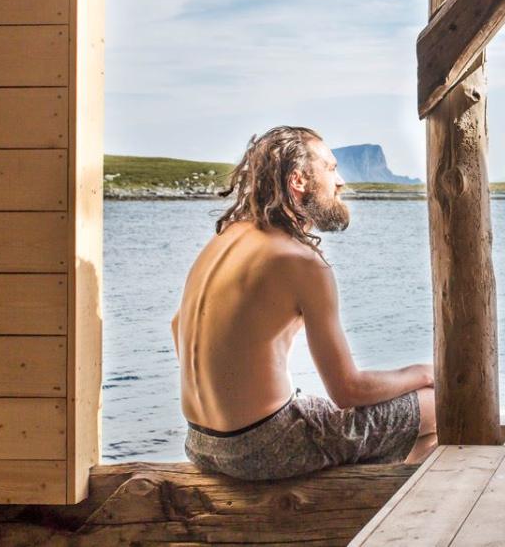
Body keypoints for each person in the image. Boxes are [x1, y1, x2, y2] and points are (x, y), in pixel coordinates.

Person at [173, 125, 437, 480]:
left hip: (200, 443)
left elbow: (178, 327)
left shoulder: (223, 239)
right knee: (440, 405)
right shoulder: (301, 262)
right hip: (264, 445)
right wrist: (424, 373)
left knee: (363, 421)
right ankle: (388, 517)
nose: (340, 181)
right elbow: (347, 390)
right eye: (330, 168)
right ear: (298, 180)